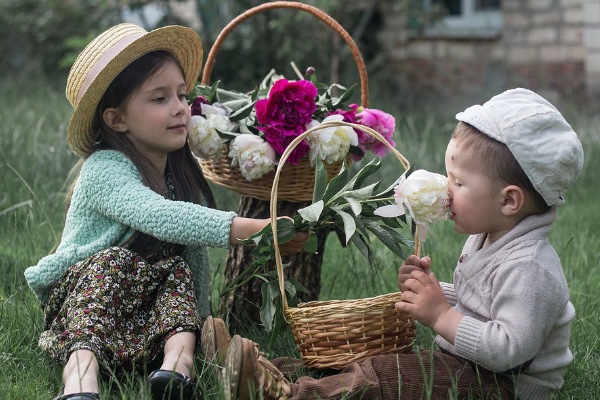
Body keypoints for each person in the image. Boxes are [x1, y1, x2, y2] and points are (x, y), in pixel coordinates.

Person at [220, 88, 584, 400]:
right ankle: (260, 365)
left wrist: (440, 314)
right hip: (475, 367)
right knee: (368, 354)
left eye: (458, 183)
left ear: (509, 201)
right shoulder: (493, 234)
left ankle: (284, 393)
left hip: (504, 385)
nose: (446, 188)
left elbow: (508, 351)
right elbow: (482, 305)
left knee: (386, 376)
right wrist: (432, 292)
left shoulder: (529, 268)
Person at [23, 23, 308, 400]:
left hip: (142, 325)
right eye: (159, 99)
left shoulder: (175, 172)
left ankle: (176, 370)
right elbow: (159, 215)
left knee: (177, 273)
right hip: (84, 310)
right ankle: (79, 381)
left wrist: (201, 315)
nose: (179, 108)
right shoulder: (105, 168)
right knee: (114, 261)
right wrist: (256, 230)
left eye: (181, 95)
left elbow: (193, 261)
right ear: (116, 119)